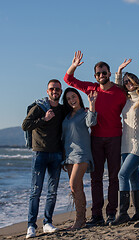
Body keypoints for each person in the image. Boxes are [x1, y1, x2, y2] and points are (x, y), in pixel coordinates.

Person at [64, 51, 127, 226]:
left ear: (109, 73)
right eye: (98, 73)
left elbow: (131, 106)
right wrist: (74, 66)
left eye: (104, 72)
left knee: (114, 177)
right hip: (96, 139)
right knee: (96, 178)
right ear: (95, 76)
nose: (101, 75)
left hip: (115, 137)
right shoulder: (91, 88)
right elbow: (68, 80)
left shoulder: (119, 93)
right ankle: (97, 215)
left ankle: (111, 213)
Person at [22, 79, 66, 239]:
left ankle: (47, 223)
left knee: (52, 192)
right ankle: (31, 226)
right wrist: (43, 119)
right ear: (47, 91)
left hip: (56, 155)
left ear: (61, 92)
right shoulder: (39, 107)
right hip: (39, 153)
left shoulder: (62, 109)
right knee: (36, 191)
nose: (55, 91)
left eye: (58, 89)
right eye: (52, 89)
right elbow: (25, 125)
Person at [110, 59, 139, 225]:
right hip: (125, 145)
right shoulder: (124, 100)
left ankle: (123, 213)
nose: (127, 84)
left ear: (136, 82)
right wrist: (119, 71)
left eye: (130, 81)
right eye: (125, 82)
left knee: (122, 174)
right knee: (134, 178)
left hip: (138, 144)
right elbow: (117, 88)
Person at [61, 88, 98, 229]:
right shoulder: (67, 116)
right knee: (77, 188)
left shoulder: (85, 112)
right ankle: (81, 219)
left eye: (74, 97)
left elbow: (91, 123)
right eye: (68, 98)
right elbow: (64, 137)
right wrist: (63, 156)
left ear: (78, 97)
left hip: (82, 153)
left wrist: (92, 104)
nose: (71, 100)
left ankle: (80, 220)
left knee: (73, 184)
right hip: (69, 155)